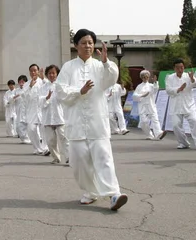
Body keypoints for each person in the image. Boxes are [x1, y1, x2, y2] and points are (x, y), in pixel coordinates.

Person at [55, 29, 128, 212]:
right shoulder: (68, 67)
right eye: (83, 43)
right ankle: (90, 192)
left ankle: (114, 194)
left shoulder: (100, 66)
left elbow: (111, 79)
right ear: (76, 45)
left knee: (104, 158)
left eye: (90, 43)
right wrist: (79, 91)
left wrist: (106, 62)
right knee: (79, 162)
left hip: (97, 121)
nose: (87, 46)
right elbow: (61, 91)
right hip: (76, 123)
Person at [165, 59, 196, 150]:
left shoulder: (188, 76)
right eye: (178, 68)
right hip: (176, 105)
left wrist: (192, 78)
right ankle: (183, 143)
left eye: (182, 67)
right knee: (176, 125)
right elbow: (168, 90)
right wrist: (179, 89)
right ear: (174, 68)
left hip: (189, 104)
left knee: (194, 121)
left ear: (184, 67)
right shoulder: (169, 77)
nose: (180, 69)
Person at [41, 65, 69, 164]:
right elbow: (39, 101)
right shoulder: (43, 87)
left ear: (57, 74)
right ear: (47, 75)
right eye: (49, 73)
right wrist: (47, 98)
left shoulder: (61, 85)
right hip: (48, 118)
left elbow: (66, 98)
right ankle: (56, 158)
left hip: (60, 116)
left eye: (54, 73)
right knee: (50, 140)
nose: (52, 75)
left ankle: (68, 157)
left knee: (64, 138)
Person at [23, 64, 50, 155]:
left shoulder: (43, 81)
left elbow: (50, 86)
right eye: (31, 71)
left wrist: (43, 78)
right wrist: (30, 86)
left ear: (38, 71)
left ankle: (45, 148)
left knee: (44, 128)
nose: (33, 72)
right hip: (31, 110)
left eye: (35, 70)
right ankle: (38, 148)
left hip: (42, 108)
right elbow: (24, 97)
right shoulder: (27, 84)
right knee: (31, 129)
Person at [133, 71, 167, 141]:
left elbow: (155, 89)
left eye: (147, 77)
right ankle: (149, 134)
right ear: (142, 78)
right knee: (143, 122)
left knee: (155, 119)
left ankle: (159, 134)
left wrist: (155, 82)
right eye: (144, 77)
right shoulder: (139, 86)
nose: (146, 78)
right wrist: (142, 95)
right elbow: (134, 96)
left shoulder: (151, 85)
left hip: (151, 105)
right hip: (142, 106)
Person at [14, 75, 31, 144]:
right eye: (20, 81)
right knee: (18, 126)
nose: (21, 83)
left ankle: (28, 138)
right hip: (19, 110)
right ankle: (24, 138)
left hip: (27, 110)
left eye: (23, 81)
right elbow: (11, 100)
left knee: (27, 125)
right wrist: (15, 97)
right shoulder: (16, 91)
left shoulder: (28, 89)